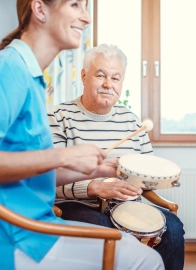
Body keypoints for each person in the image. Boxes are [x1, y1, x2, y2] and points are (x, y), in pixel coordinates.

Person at [0, 1, 164, 269]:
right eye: (76, 5)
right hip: (17, 238)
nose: (86, 18)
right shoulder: (10, 69)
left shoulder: (29, 75)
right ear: (40, 10)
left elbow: (30, 171)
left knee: (144, 254)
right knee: (145, 260)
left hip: (36, 229)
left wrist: (96, 169)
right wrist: (62, 155)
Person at [48, 43, 185, 270]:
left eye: (115, 78)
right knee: (106, 232)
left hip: (127, 205)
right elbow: (47, 178)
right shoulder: (58, 116)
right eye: (100, 75)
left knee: (172, 228)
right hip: (76, 204)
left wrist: (161, 178)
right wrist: (94, 187)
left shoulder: (131, 121)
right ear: (83, 76)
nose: (107, 84)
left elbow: (148, 171)